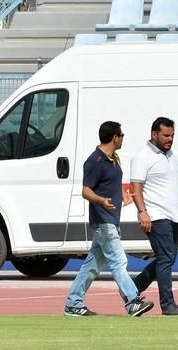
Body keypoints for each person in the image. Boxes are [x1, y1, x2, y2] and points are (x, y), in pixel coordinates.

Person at [65, 121, 154, 317]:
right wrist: (101, 201)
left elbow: (112, 181)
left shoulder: (113, 158)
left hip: (111, 220)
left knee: (92, 266)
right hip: (103, 221)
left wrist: (123, 193)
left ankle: (73, 303)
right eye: (121, 135)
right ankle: (132, 301)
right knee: (119, 261)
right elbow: (86, 191)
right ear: (114, 137)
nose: (123, 138)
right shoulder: (94, 161)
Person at [130, 117, 178, 316]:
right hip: (155, 216)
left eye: (172, 135)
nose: (170, 139)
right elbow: (135, 186)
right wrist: (142, 212)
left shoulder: (171, 155)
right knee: (165, 258)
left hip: (173, 216)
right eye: (166, 135)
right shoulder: (142, 156)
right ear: (154, 134)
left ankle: (132, 288)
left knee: (167, 258)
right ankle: (168, 304)